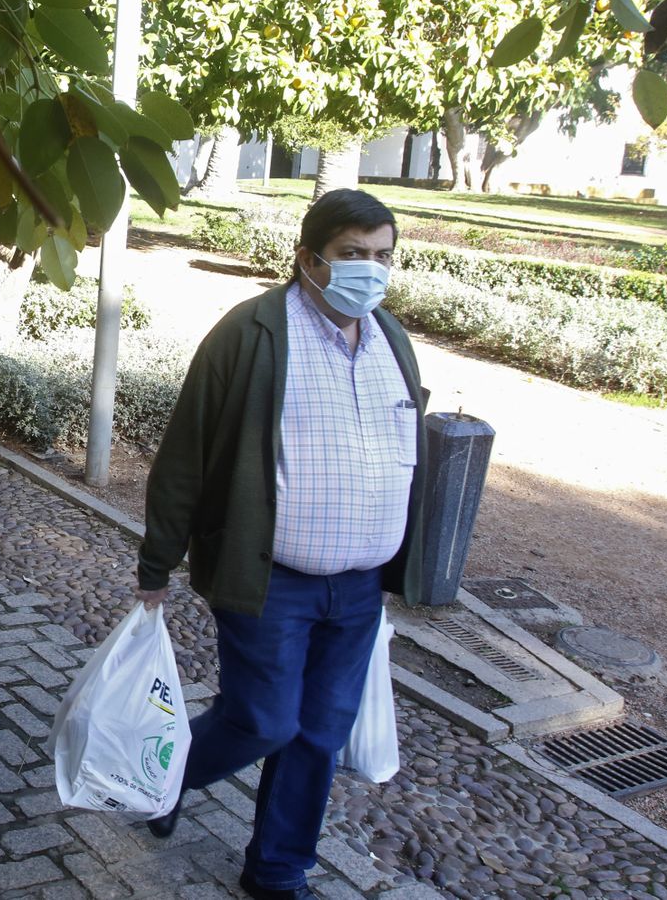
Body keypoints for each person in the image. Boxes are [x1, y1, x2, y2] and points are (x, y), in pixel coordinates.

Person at [135, 189, 428, 900]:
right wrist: (156, 564)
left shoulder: (391, 337)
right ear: (308, 259)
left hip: (358, 588)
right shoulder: (253, 333)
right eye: (353, 255)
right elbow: (188, 454)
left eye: (382, 256)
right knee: (263, 720)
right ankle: (166, 780)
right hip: (272, 580)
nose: (371, 270)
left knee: (319, 733)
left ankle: (276, 870)